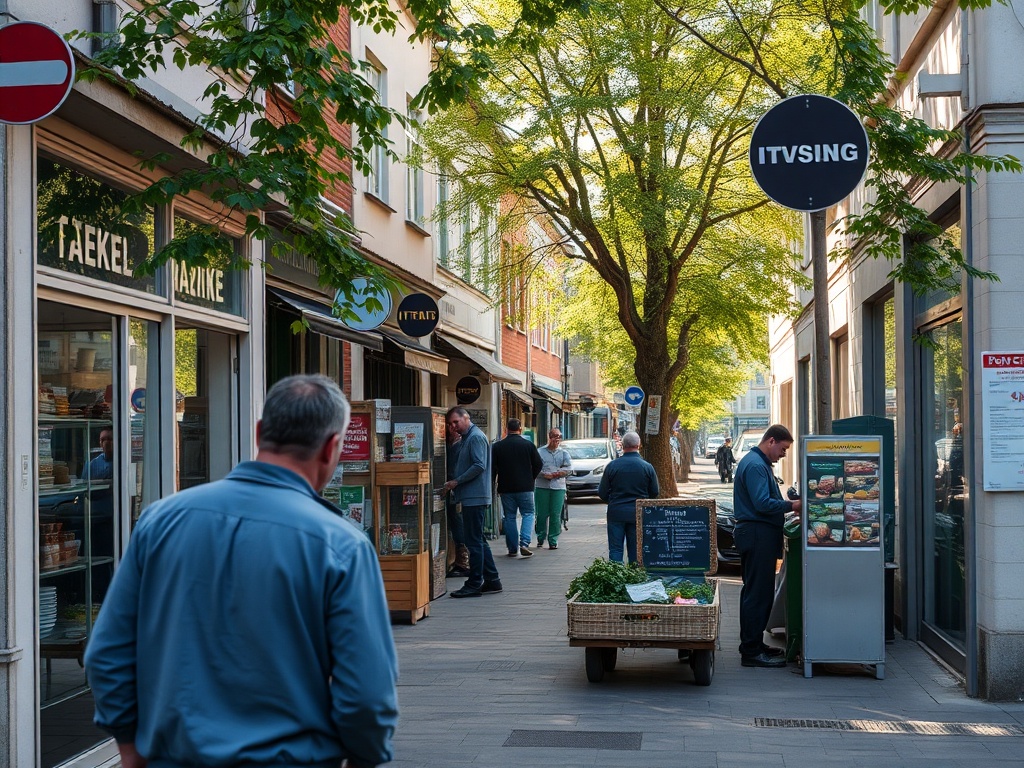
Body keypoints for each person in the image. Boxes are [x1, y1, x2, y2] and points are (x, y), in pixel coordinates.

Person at [84, 375, 399, 768]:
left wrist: (130, 746)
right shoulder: (342, 546)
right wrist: (364, 756)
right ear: (333, 447)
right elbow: (367, 696)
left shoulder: (160, 522)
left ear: (260, 432)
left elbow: (107, 653)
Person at [733, 423, 802, 668]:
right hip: (756, 533)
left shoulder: (759, 464)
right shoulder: (755, 466)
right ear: (771, 441)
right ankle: (751, 652)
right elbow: (762, 503)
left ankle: (753, 644)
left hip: (758, 533)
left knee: (757, 592)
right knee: (757, 594)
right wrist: (792, 506)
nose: (783, 455)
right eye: (783, 449)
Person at [444, 407, 502, 598]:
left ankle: (474, 582)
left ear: (466, 418)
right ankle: (492, 580)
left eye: (456, 422)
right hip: (472, 496)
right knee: (478, 540)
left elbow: (479, 465)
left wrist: (456, 481)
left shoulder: (475, 437)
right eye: (450, 424)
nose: (453, 426)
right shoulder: (467, 438)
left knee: (473, 541)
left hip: (474, 497)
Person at [598, 431, 659, 564]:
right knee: (636, 550)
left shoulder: (612, 466)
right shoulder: (647, 467)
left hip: (616, 512)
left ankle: (615, 578)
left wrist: (613, 501)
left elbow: (602, 492)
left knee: (615, 549)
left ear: (623, 445)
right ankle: (634, 579)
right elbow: (654, 492)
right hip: (637, 513)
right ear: (639, 445)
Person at [491, 418, 543, 557]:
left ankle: (512, 548)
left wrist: (492, 486)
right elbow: (538, 464)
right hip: (525, 487)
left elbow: (493, 469)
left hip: (506, 487)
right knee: (528, 514)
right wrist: (530, 477)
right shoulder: (528, 445)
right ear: (520, 429)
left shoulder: (497, 446)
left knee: (509, 517)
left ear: (506, 429)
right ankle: (524, 543)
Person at [535, 428, 572, 550]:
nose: (557, 439)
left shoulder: (564, 453)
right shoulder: (540, 452)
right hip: (542, 486)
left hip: (558, 487)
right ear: (549, 437)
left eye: (559, 437)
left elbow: (568, 470)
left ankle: (553, 539)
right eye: (555, 436)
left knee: (555, 514)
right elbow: (534, 468)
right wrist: (543, 474)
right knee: (541, 513)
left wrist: (556, 474)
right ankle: (540, 536)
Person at [446, 420, 470, 577]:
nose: (451, 428)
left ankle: (463, 561)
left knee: (457, 522)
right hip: (456, 489)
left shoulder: (458, 445)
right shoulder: (459, 444)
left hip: (455, 489)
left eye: (454, 425)